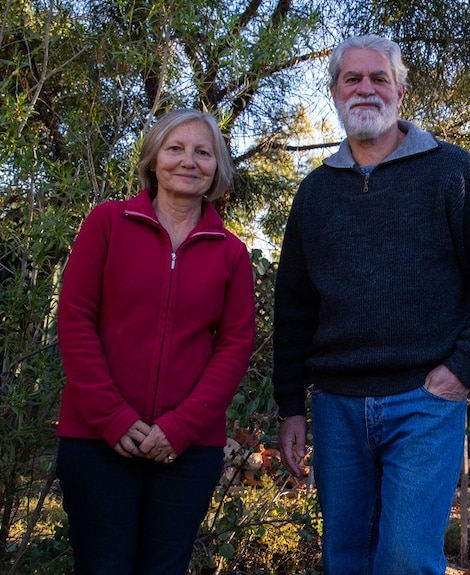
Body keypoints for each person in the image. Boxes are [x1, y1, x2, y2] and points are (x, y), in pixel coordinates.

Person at [273, 35, 470, 574]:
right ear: (335, 93)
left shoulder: (451, 171)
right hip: (337, 406)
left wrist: (459, 371)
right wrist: (291, 405)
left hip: (424, 403)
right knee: (346, 559)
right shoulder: (315, 193)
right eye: (352, 79)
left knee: (407, 559)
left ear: (401, 90)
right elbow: (293, 308)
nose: (366, 89)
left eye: (378, 78)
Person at [56, 108, 256, 574]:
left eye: (203, 153)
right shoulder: (106, 223)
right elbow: (76, 321)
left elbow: (234, 346)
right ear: (153, 160)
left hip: (188, 448)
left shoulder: (231, 253)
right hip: (96, 440)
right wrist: (113, 416)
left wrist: (180, 428)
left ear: (217, 168)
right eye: (175, 148)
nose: (189, 161)